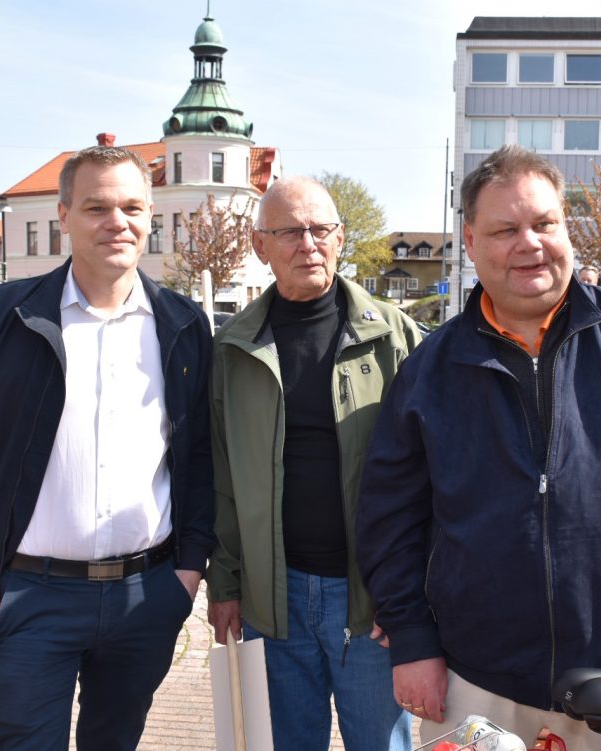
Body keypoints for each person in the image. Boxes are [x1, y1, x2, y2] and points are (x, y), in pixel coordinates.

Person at [356, 145, 601, 751]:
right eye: (505, 229)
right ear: (470, 240)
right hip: (474, 684)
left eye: (544, 223)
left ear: (566, 225)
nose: (530, 243)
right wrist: (412, 642)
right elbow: (390, 519)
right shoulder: (428, 372)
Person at [0, 145, 215, 750]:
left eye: (131, 206)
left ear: (150, 213)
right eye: (97, 207)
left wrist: (187, 571)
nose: (116, 222)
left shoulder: (183, 324)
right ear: (65, 215)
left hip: (145, 596)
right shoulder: (0, 316)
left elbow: (201, 456)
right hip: (30, 597)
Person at [205, 176, 420, 751]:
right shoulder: (233, 348)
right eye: (290, 231)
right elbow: (223, 477)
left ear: (340, 237)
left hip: (371, 602)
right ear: (259, 246)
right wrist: (224, 583)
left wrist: (413, 592)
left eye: (321, 229)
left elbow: (434, 475)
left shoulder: (395, 337)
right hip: (273, 601)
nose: (309, 243)